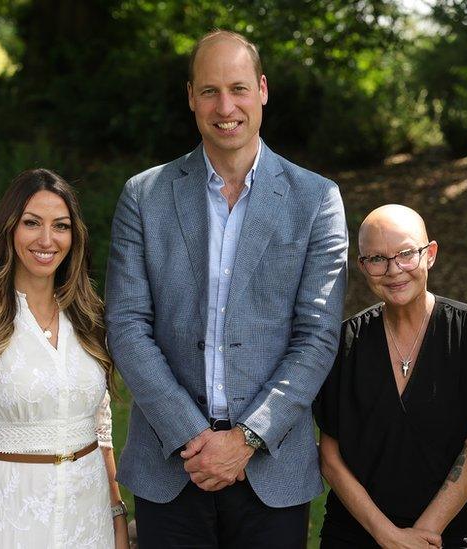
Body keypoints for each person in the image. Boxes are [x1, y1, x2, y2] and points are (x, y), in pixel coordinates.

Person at [104, 29, 348, 547]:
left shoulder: (316, 199)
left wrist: (246, 439)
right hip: (173, 465)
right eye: (209, 91)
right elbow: (126, 325)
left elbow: (317, 336)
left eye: (237, 88)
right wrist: (193, 437)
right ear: (191, 98)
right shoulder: (144, 196)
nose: (225, 105)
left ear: (261, 89)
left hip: (270, 470)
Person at [0, 168, 129, 549]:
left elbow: (102, 431)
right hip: (9, 516)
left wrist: (118, 518)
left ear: (74, 237)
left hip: (89, 517)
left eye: (60, 226)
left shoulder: (91, 319)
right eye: (31, 223)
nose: (46, 239)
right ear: (9, 230)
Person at [314, 205, 467, 549]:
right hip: (354, 536)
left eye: (406, 254)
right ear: (363, 266)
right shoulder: (345, 344)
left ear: (431, 254)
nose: (394, 270)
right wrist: (389, 536)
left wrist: (422, 536)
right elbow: (331, 458)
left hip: (442, 539)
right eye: (377, 259)